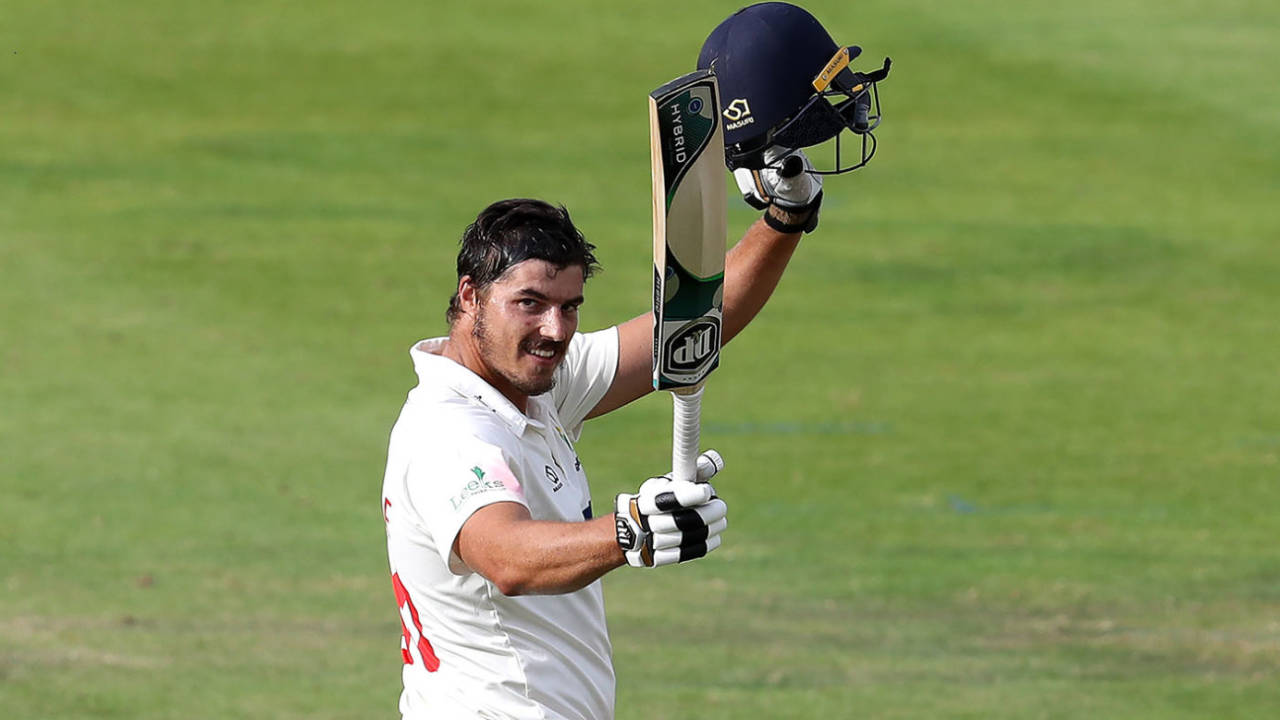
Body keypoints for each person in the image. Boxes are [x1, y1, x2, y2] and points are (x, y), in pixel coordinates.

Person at [379, 4, 890, 718]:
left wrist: (785, 217)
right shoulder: (450, 433)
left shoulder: (532, 388)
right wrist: (633, 529)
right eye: (530, 303)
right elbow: (508, 557)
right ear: (470, 297)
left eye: (570, 306)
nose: (555, 331)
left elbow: (691, 323)